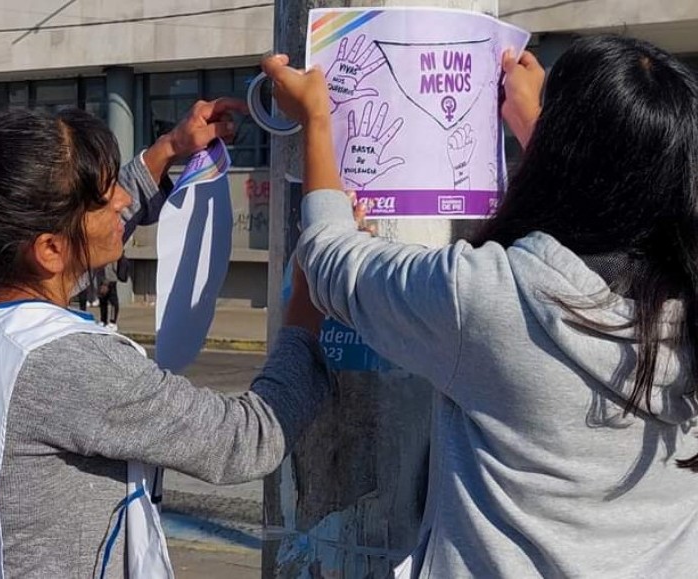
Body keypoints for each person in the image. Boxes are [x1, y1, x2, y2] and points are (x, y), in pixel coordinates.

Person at [261, 34, 698, 578]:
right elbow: (608, 208)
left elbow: (327, 258)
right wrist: (544, 127)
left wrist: (317, 118)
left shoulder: (494, 299)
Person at [0, 102, 330, 578]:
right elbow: (243, 439)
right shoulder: (64, 363)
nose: (123, 201)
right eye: (106, 197)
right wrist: (304, 318)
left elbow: (64, 257)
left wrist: (169, 150)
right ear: (49, 248)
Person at [97, 259, 120, 330]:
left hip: (111, 278)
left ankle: (113, 322)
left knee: (113, 301)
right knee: (102, 300)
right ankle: (103, 320)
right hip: (101, 277)